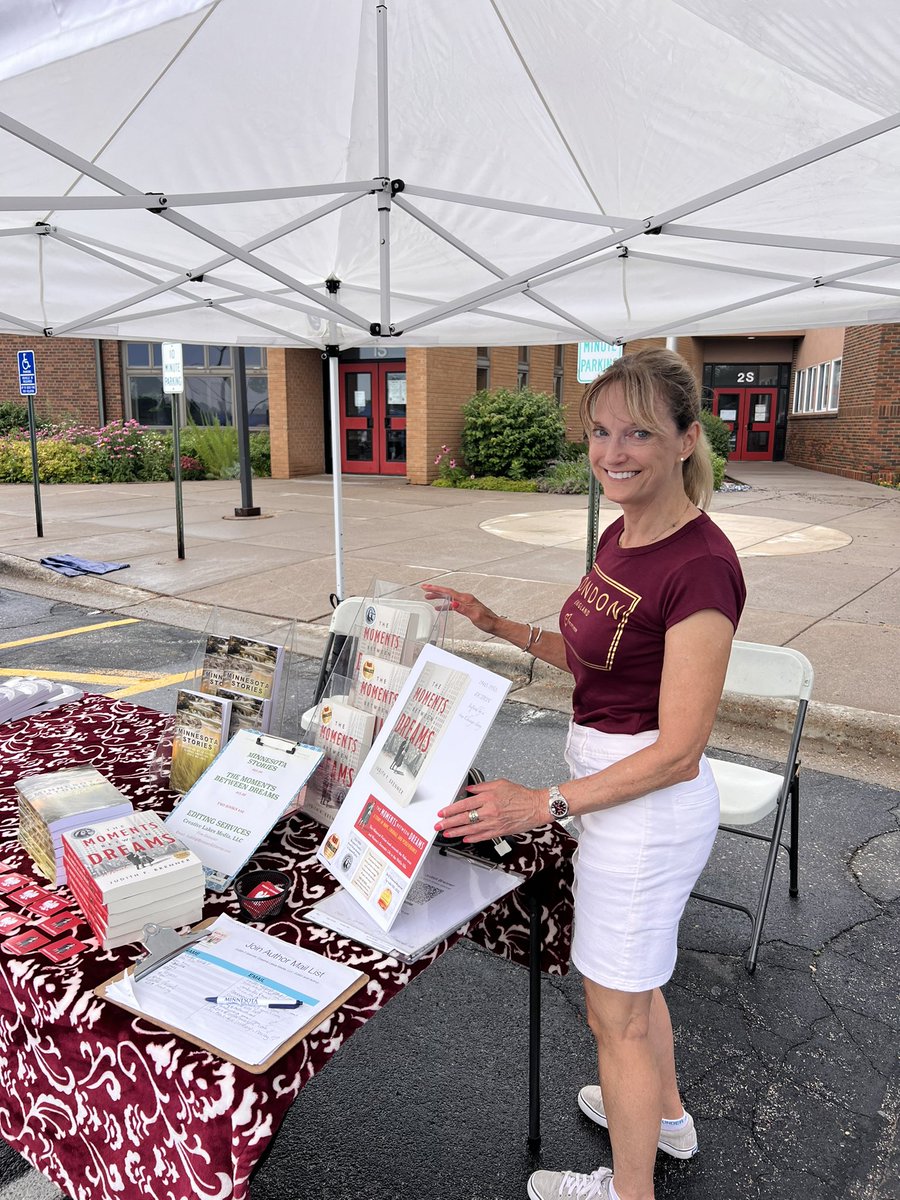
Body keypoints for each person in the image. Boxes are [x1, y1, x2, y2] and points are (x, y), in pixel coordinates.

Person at [423, 348, 746, 1200]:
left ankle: (627, 1190)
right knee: (635, 992)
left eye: (638, 432)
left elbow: (679, 748)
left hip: (646, 804)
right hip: (610, 793)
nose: (613, 453)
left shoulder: (700, 566)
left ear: (686, 439)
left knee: (617, 1017)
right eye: (601, 432)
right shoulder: (622, 532)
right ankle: (665, 1118)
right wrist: (492, 622)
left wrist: (543, 804)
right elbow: (590, 652)